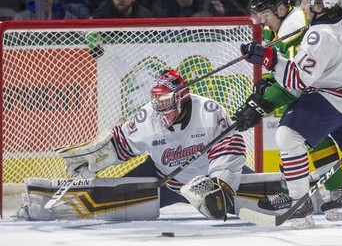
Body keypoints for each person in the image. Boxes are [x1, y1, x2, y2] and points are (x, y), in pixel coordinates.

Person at [20, 69, 260, 221]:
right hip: (163, 181)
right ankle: (44, 206)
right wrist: (97, 159)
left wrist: (221, 185)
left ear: (181, 98)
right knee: (108, 204)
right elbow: (120, 145)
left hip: (207, 181)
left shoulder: (208, 111)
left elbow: (232, 148)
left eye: (165, 102)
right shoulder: (148, 117)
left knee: (268, 199)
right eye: (156, 101)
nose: (160, 109)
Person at [234, 0, 342, 229]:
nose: (301, 5)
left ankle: (299, 203)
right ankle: (337, 194)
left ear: (318, 5)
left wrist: (268, 58)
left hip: (334, 99)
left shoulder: (320, 36)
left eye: (305, 1)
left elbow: (297, 81)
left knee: (288, 136)